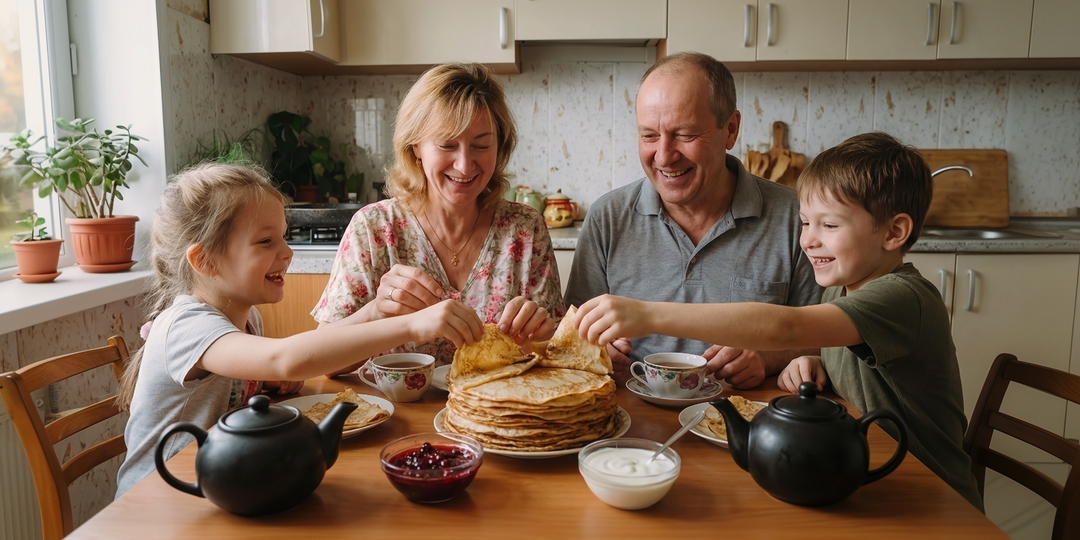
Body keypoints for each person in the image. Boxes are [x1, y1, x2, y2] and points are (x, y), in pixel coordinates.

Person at [573, 132, 983, 510]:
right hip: (871, 480)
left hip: (932, 498)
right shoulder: (843, 289)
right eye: (806, 223)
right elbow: (874, 369)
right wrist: (822, 363)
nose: (808, 239)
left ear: (894, 232)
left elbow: (784, 327)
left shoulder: (901, 297)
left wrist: (648, 314)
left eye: (830, 225)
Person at [115, 164, 483, 497]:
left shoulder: (246, 318)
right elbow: (284, 358)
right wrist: (410, 324)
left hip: (217, 487)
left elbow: (269, 365)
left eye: (284, 237)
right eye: (266, 241)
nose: (287, 252)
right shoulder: (185, 326)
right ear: (205, 260)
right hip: (158, 500)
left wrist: (375, 312)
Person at [564, 51, 821, 387]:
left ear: (730, 130)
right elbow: (569, 339)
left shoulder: (795, 218)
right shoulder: (607, 218)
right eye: (649, 136)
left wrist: (770, 357)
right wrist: (595, 347)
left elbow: (828, 339)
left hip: (749, 420)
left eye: (684, 135)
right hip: (632, 421)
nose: (664, 156)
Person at [313, 62, 564, 374]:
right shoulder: (374, 229)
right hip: (400, 420)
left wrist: (540, 338)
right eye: (447, 144)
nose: (464, 164)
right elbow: (324, 361)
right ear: (415, 146)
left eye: (481, 145)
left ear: (500, 147)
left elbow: (555, 352)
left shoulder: (525, 230)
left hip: (495, 417)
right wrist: (378, 312)